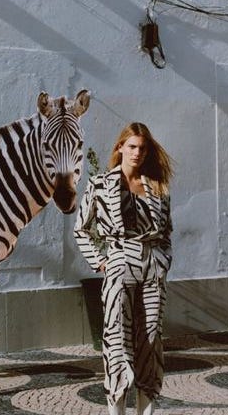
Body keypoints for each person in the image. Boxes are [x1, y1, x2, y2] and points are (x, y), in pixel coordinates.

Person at [74, 122, 174, 415]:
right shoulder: (101, 184)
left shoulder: (157, 187)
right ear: (120, 148)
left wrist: (163, 261)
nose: (137, 153)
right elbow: (82, 229)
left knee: (151, 339)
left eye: (142, 148)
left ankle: (146, 410)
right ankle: (116, 409)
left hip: (152, 268)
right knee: (117, 338)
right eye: (132, 147)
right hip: (118, 265)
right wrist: (101, 261)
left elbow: (167, 233)